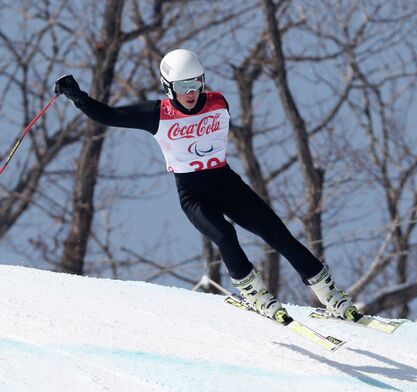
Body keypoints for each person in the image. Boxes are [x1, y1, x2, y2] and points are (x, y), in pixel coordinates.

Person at [54, 48, 358, 323]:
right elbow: (110, 116)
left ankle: (331, 295)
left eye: (197, 83)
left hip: (227, 183)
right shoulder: (157, 114)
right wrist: (77, 96)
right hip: (193, 194)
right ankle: (255, 294)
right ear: (168, 87)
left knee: (277, 233)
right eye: (184, 86)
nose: (192, 92)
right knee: (225, 235)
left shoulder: (218, 102)